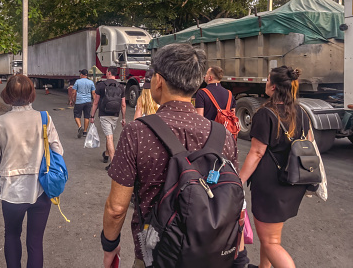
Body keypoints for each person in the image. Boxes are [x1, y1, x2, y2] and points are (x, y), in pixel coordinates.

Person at [100, 44, 241, 268]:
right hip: (211, 254)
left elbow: (116, 209)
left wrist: (110, 246)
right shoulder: (223, 135)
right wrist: (238, 255)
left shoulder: (137, 132)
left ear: (159, 80)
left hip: (156, 254)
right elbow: (234, 200)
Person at [0, 74, 64, 268]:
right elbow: (58, 151)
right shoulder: (44, 118)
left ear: (7, 94)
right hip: (42, 188)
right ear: (32, 93)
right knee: (35, 242)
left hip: (12, 191)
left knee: (11, 235)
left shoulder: (0, 123)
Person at [239, 66, 310, 268]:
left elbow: (256, 153)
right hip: (294, 180)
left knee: (271, 242)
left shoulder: (265, 114)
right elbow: (309, 143)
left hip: (271, 183)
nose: (265, 83)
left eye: (267, 79)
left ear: (274, 86)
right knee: (271, 237)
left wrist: (239, 180)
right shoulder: (301, 111)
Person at [90, 66, 126, 170]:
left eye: (106, 71)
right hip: (115, 114)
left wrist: (92, 116)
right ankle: (106, 154)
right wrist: (123, 118)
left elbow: (95, 102)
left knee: (109, 137)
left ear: (109, 73)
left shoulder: (101, 85)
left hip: (104, 114)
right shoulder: (121, 87)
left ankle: (113, 163)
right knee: (109, 135)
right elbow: (123, 105)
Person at [72, 69, 96, 138]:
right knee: (86, 116)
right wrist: (95, 102)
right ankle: (85, 131)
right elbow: (93, 93)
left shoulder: (77, 82)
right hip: (88, 101)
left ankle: (80, 127)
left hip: (79, 101)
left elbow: (73, 92)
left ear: (82, 75)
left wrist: (72, 100)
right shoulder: (91, 82)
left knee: (77, 115)